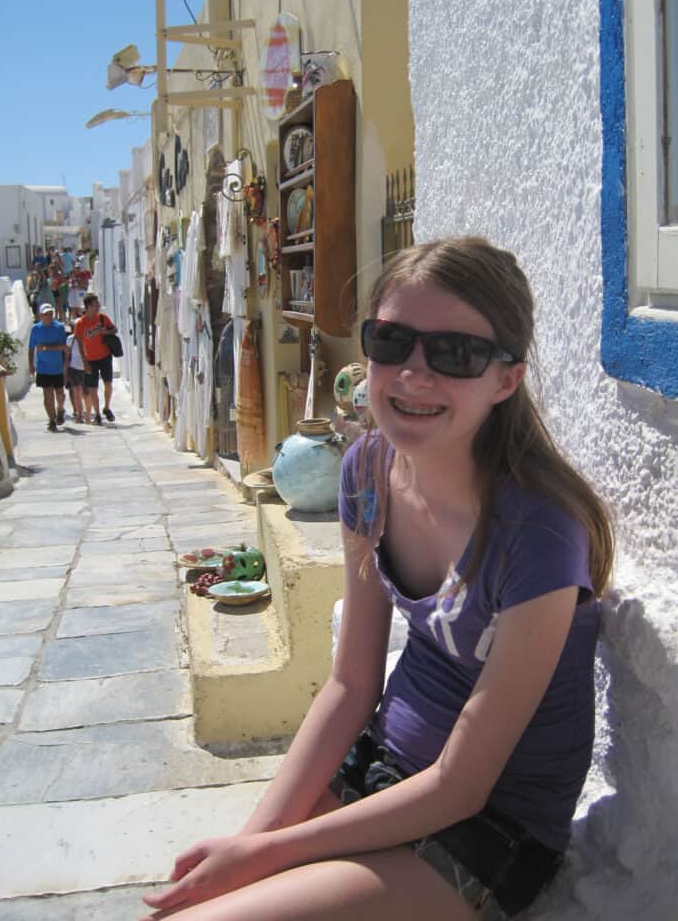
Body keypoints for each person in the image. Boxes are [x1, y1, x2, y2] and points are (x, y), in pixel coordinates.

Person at [142, 237, 613, 921]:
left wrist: (266, 857)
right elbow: (349, 684)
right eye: (392, 342)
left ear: (505, 379)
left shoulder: (538, 535)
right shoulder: (366, 471)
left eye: (455, 354)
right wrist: (248, 846)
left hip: (484, 829)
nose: (414, 375)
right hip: (382, 768)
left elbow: (462, 787)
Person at [74, 294, 118, 425]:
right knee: (93, 388)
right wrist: (84, 362)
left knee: (108, 384)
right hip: (90, 359)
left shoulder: (103, 319)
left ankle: (107, 407)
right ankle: (97, 414)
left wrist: (106, 332)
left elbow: (114, 329)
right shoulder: (81, 323)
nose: (98, 306)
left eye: (98, 304)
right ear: (88, 307)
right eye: (95, 304)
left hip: (105, 356)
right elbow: (79, 344)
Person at [28, 303, 68, 432]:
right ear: (40, 315)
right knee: (47, 394)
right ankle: (51, 420)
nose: (49, 316)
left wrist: (45, 348)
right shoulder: (35, 329)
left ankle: (60, 409)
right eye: (46, 314)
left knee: (60, 394)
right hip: (43, 368)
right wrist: (31, 365)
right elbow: (31, 348)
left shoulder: (59, 327)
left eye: (50, 313)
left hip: (57, 367)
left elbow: (64, 347)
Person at [64, 329, 86, 423]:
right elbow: (67, 355)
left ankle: (87, 414)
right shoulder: (70, 339)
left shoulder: (87, 337)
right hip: (74, 368)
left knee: (86, 393)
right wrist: (65, 372)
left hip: (86, 367)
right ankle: (79, 414)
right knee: (76, 392)